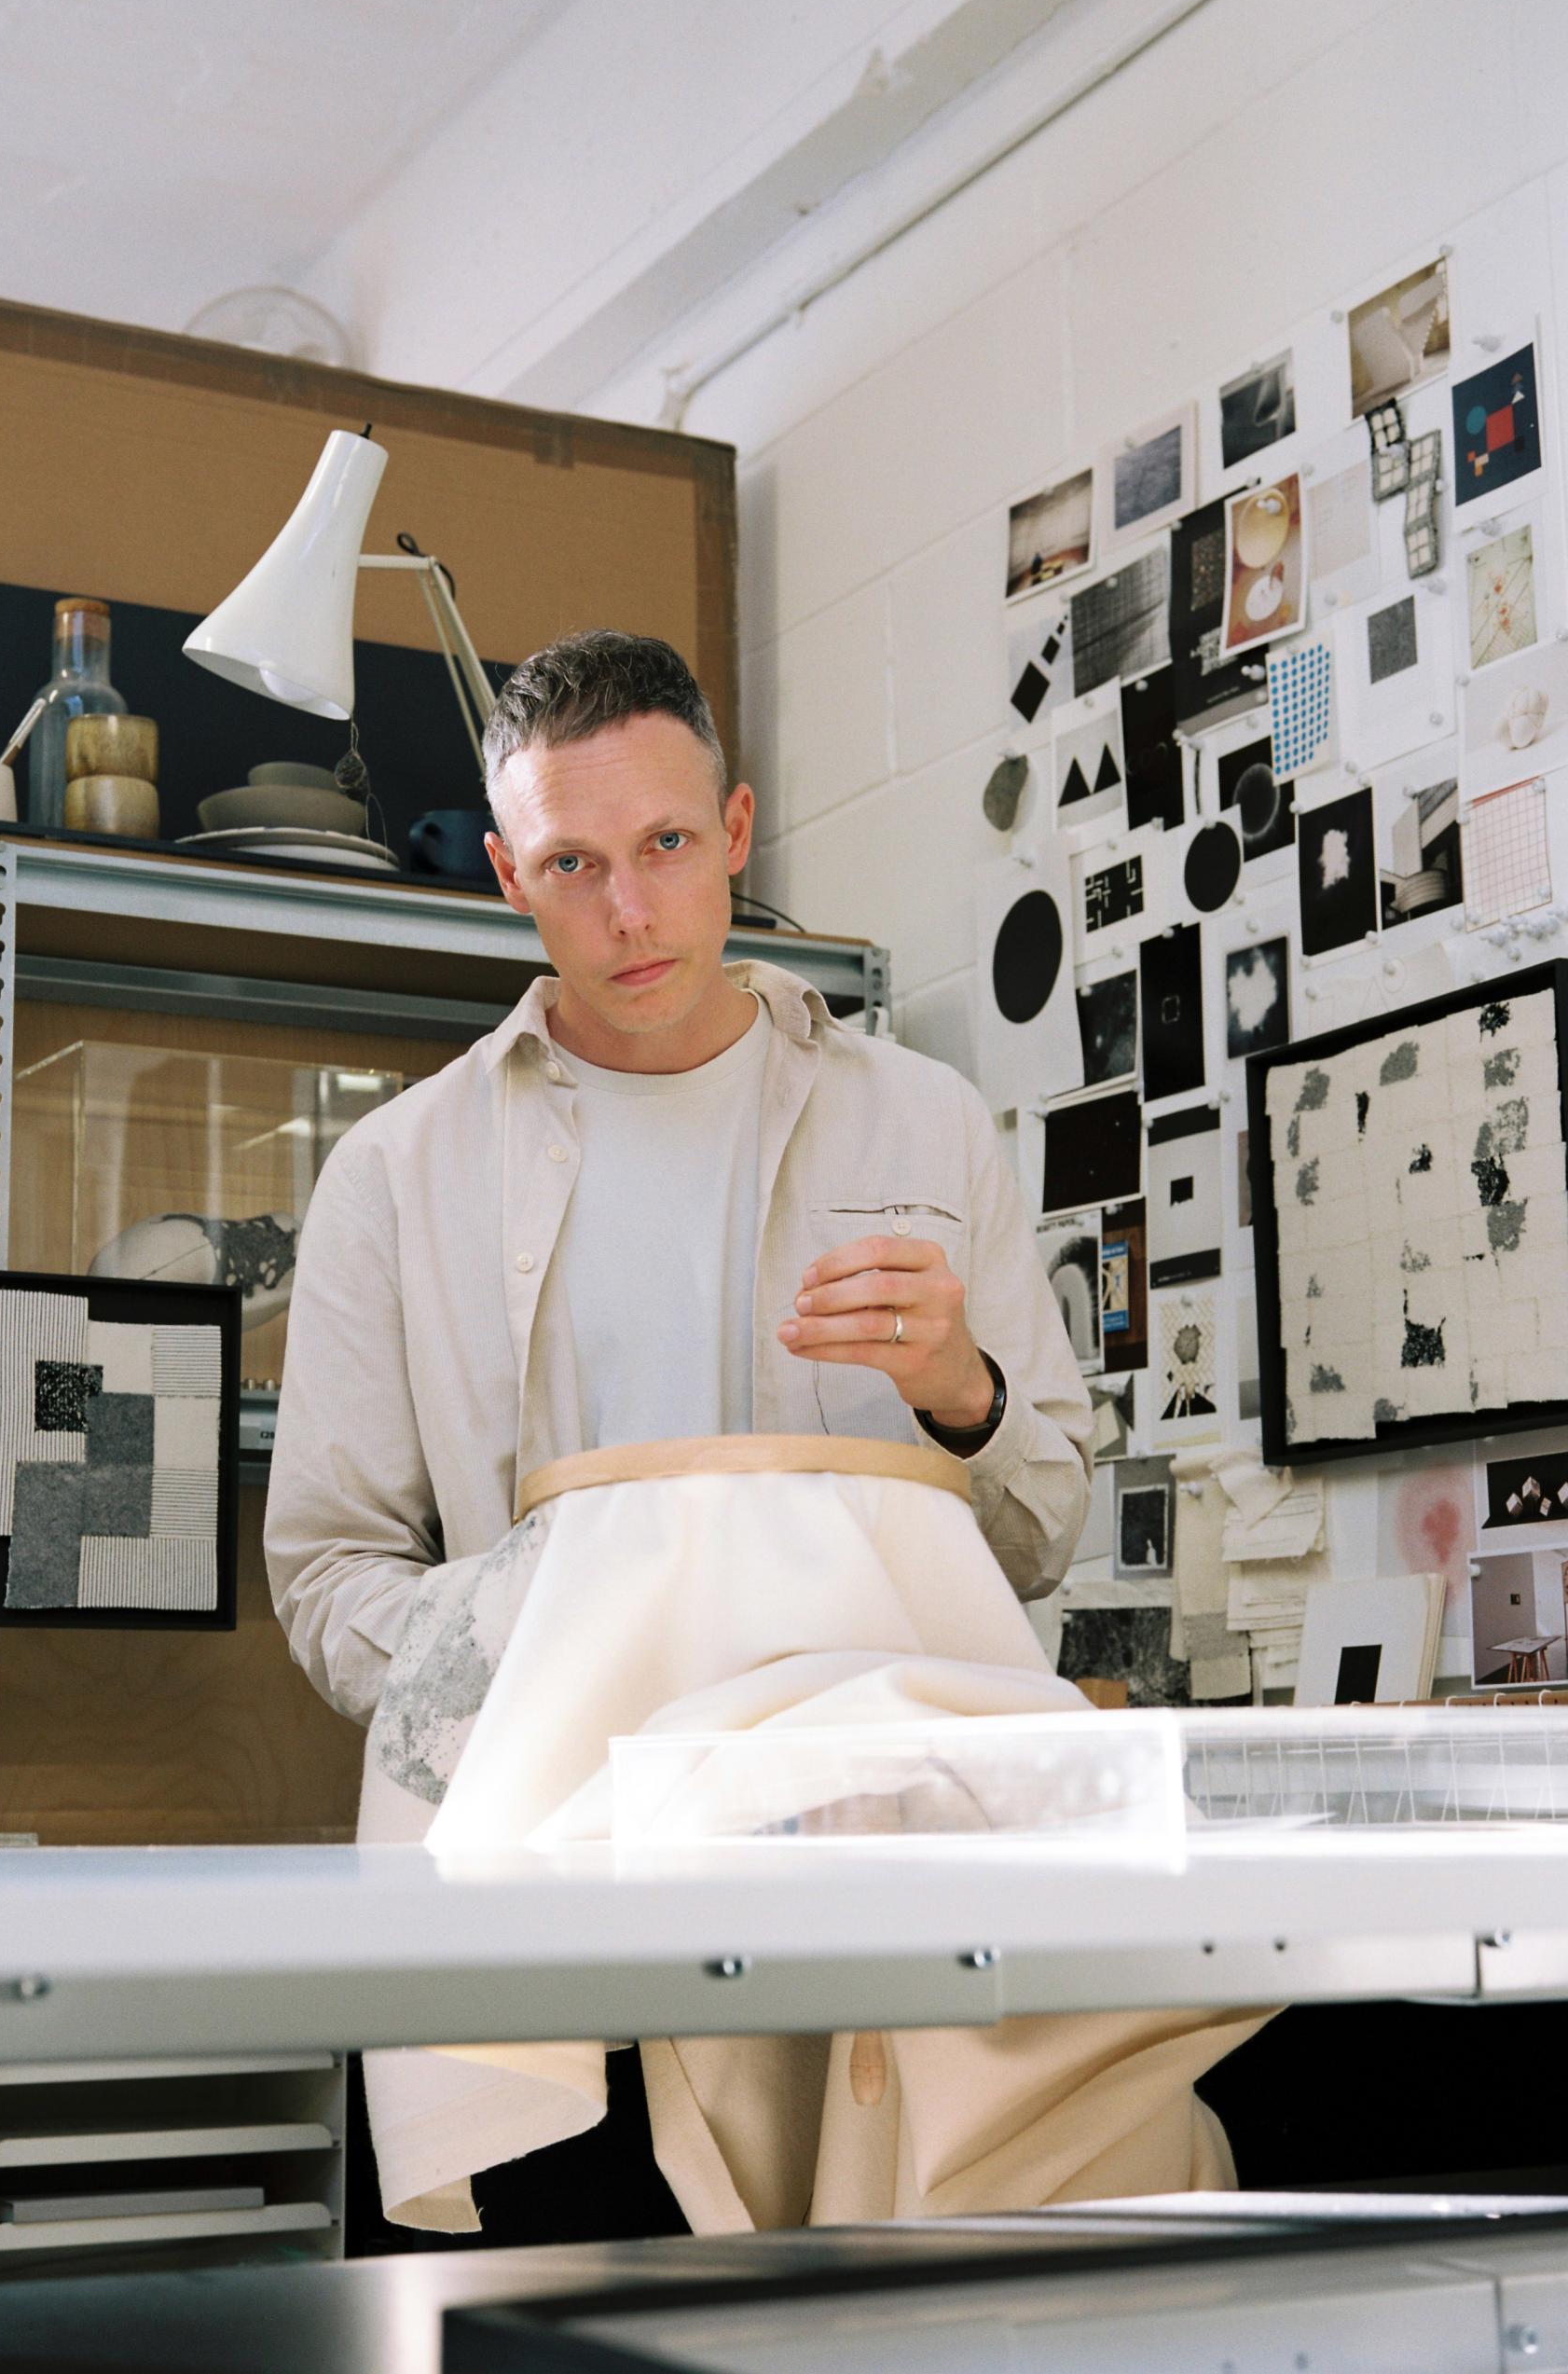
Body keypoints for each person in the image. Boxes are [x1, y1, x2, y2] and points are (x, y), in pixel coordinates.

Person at [266, 628, 1093, 2245]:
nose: (629, 913)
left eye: (662, 845)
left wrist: (964, 1392)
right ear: (508, 876)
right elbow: (327, 1574)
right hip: (545, 1915)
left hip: (868, 1908)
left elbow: (1043, 1526)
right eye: (571, 864)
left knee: (883, 2339)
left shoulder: (924, 1122)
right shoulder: (395, 1175)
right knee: (541, 2333)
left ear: (736, 832)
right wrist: (543, 1640)